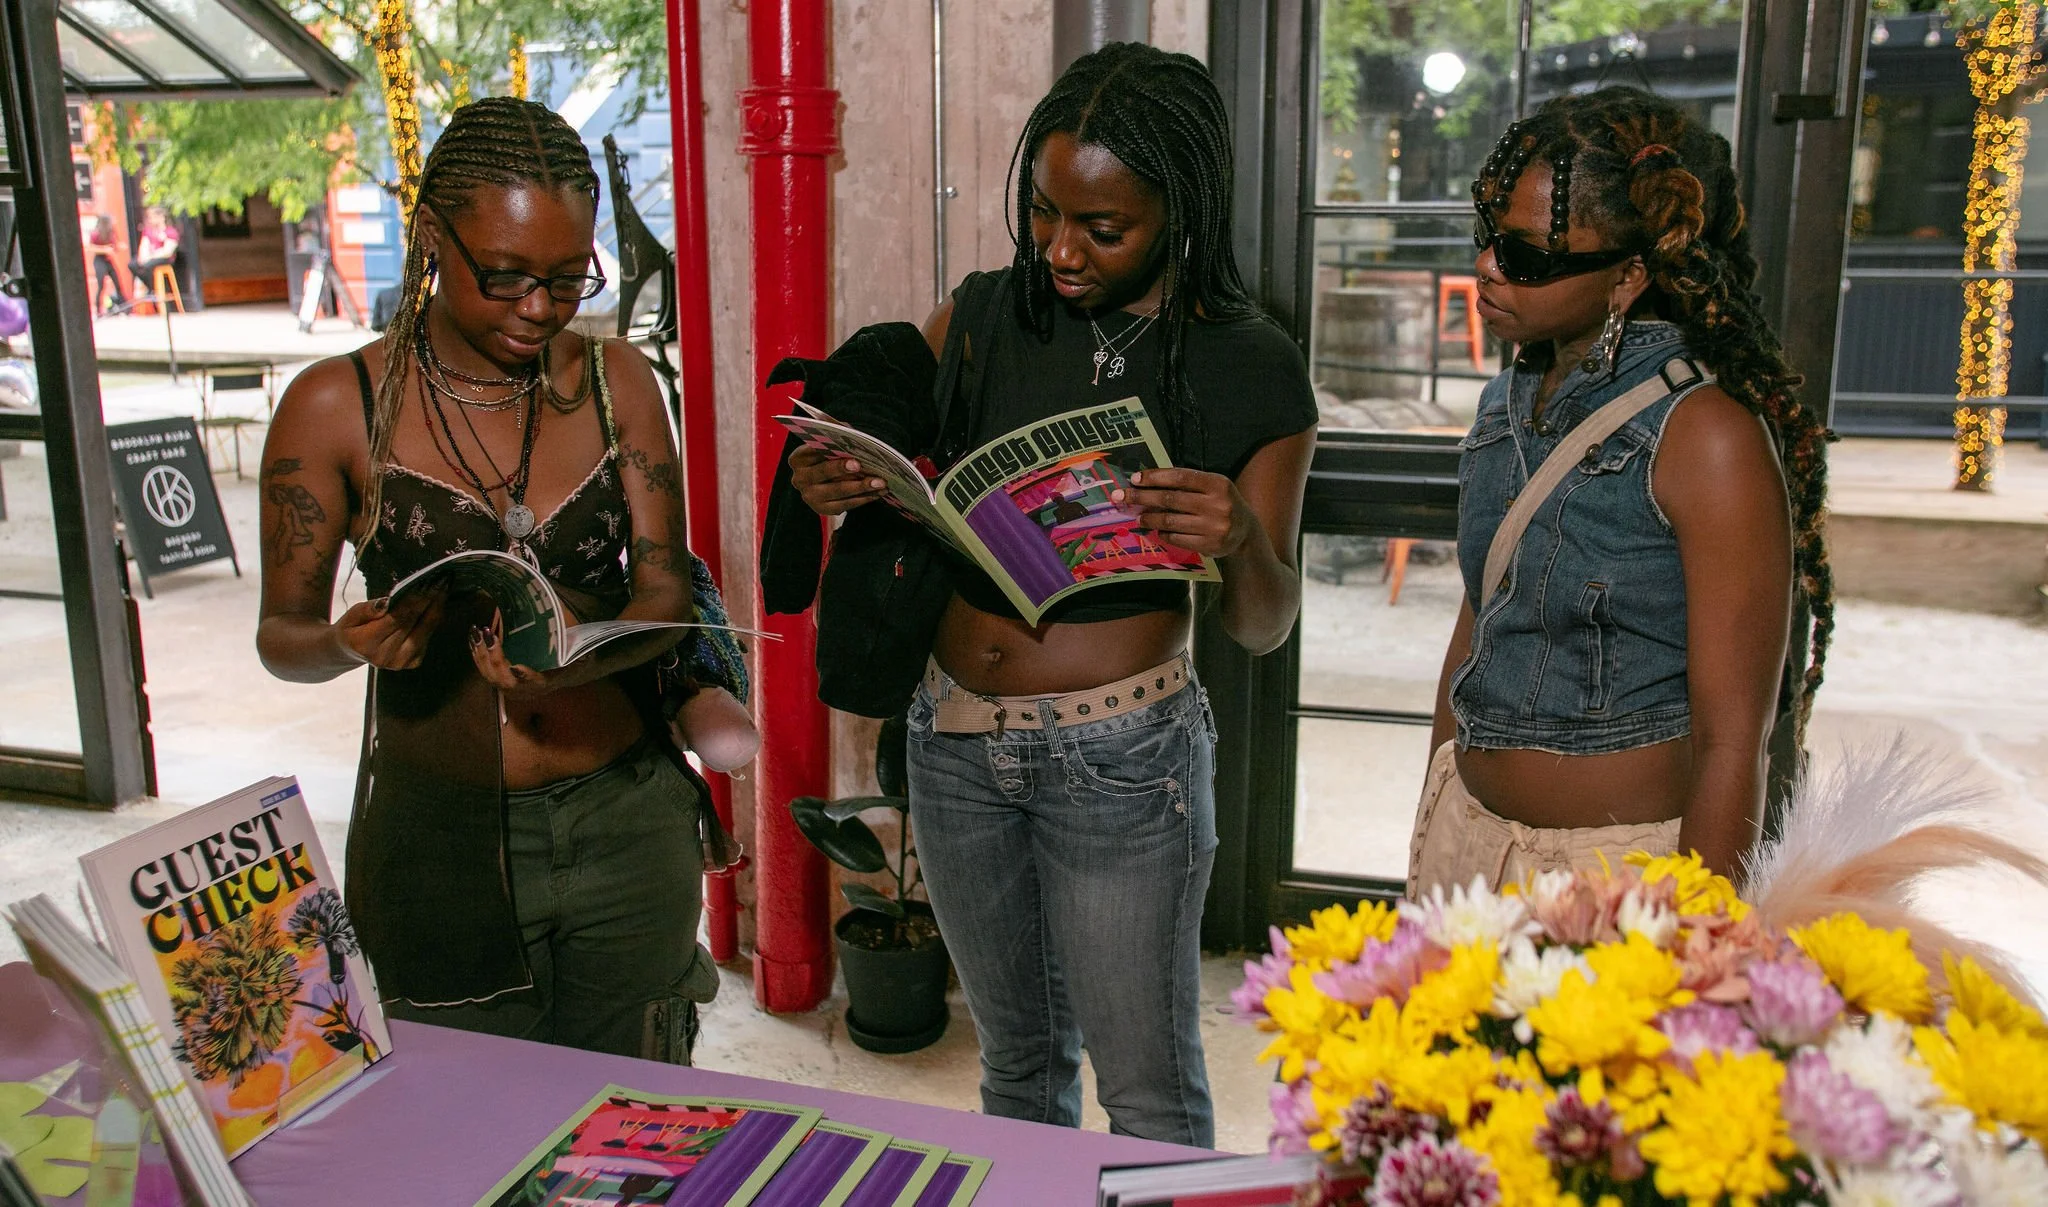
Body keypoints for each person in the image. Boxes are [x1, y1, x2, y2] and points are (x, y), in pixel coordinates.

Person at [789, 43, 1317, 1147]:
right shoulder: (983, 314)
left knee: (1146, 1090)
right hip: (953, 743)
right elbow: (894, 472)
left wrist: (1240, 537)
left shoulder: (1247, 361)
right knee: (1014, 1069)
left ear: (1180, 211)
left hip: (1121, 760)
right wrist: (838, 477)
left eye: (1102, 228)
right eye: (1041, 213)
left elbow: (1263, 623)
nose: (1059, 250)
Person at [255, 97, 719, 1061]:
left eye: (566, 278)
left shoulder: (615, 383)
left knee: (633, 1125)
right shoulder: (337, 406)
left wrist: (577, 667)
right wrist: (348, 643)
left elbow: (667, 599)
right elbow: (281, 639)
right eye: (505, 277)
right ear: (431, 237)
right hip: (439, 842)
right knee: (465, 1133)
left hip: (625, 821)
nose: (542, 309)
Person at [1410, 87, 1833, 897]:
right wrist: (1432, 823)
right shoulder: (1507, 400)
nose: (1487, 267)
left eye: (1527, 255)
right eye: (1488, 236)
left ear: (1628, 275)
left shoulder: (1706, 434)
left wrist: (1696, 950)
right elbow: (1479, 619)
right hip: (1467, 846)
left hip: (1619, 880)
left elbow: (1733, 742)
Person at [128, 208, 179, 293]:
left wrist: (150, 257)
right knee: (133, 264)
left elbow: (167, 252)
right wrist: (143, 257)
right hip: (150, 257)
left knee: (147, 265)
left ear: (161, 217)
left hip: (164, 259)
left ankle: (154, 289)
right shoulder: (148, 231)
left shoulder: (170, 232)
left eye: (153, 217)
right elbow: (144, 245)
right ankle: (152, 287)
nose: (151, 220)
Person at [86, 215, 122, 313]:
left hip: (108, 260)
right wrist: (104, 249)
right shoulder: (96, 234)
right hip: (99, 260)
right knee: (101, 284)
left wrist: (118, 247)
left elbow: (115, 245)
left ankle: (123, 306)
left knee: (117, 282)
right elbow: (90, 247)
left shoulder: (111, 233)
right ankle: (98, 309)